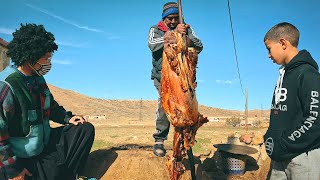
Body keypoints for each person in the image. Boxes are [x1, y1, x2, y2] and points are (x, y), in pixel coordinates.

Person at [0, 23, 95, 180]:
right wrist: (13, 170)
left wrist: (67, 117)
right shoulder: (7, 85)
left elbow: (51, 107)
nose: (48, 62)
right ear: (31, 56)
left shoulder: (38, 79)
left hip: (43, 147)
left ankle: (67, 175)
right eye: (46, 57)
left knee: (84, 130)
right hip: (21, 159)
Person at [263, 22, 320, 179]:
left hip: (303, 158)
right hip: (280, 157)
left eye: (269, 49)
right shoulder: (283, 75)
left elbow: (315, 121)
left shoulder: (308, 74)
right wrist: (270, 137)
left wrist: (283, 143)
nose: (268, 55)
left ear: (282, 43)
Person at [148, 2, 203, 157]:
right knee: (166, 105)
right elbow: (152, 45)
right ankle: (159, 139)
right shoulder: (155, 29)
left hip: (183, 78)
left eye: (175, 18)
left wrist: (184, 35)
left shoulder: (187, 28)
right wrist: (171, 36)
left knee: (187, 109)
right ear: (164, 19)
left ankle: (184, 141)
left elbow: (199, 45)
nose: (172, 22)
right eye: (169, 19)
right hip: (162, 76)